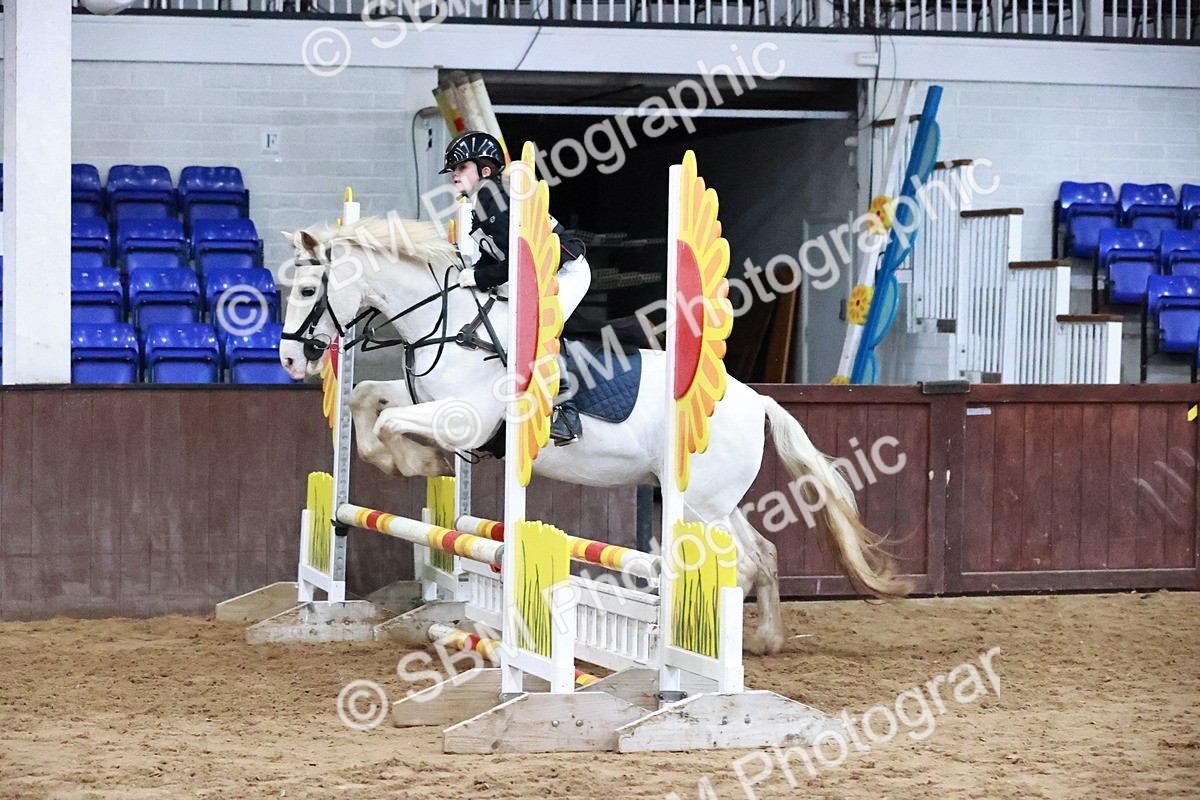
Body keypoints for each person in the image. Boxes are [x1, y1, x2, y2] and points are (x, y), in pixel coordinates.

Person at [442, 130, 590, 445]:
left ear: (484, 170)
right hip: (535, 269)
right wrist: (472, 274)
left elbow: (518, 262)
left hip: (565, 271)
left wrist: (479, 278)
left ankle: (565, 412)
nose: (454, 175)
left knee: (537, 327)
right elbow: (493, 255)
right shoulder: (481, 201)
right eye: (453, 170)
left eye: (461, 168)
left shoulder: (492, 197)